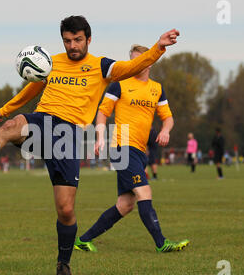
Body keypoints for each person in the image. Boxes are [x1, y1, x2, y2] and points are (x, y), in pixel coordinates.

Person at [0, 15, 180, 275]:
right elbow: (32, 89)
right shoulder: (51, 62)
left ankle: (63, 264)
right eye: (67, 41)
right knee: (12, 126)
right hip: (43, 121)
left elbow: (134, 65)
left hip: (68, 137)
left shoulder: (101, 66)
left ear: (88, 39)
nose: (72, 46)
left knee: (66, 209)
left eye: (78, 40)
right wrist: (7, 108)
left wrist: (158, 47)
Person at [74, 44, 189, 254]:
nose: (136, 65)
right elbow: (102, 113)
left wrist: (166, 130)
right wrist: (100, 137)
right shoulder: (120, 84)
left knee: (125, 204)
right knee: (145, 192)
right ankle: (161, 243)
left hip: (138, 150)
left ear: (150, 61)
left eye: (140, 60)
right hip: (121, 147)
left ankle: (83, 240)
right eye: (133, 60)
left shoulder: (157, 88)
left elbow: (168, 117)